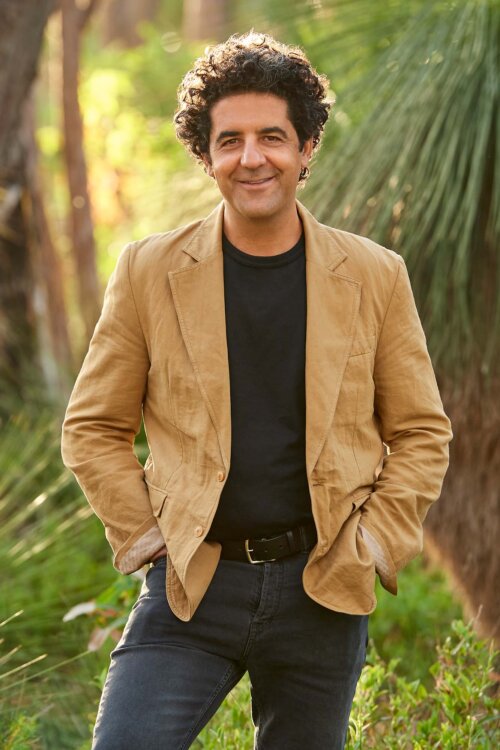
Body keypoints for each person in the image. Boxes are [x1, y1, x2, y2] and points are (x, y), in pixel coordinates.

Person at [61, 32, 452, 750]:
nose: (251, 158)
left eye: (272, 136)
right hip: (192, 586)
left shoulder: (374, 275)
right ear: (205, 154)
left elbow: (423, 432)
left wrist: (371, 542)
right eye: (230, 139)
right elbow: (92, 426)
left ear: (307, 148)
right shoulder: (148, 271)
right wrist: (147, 537)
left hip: (323, 586)